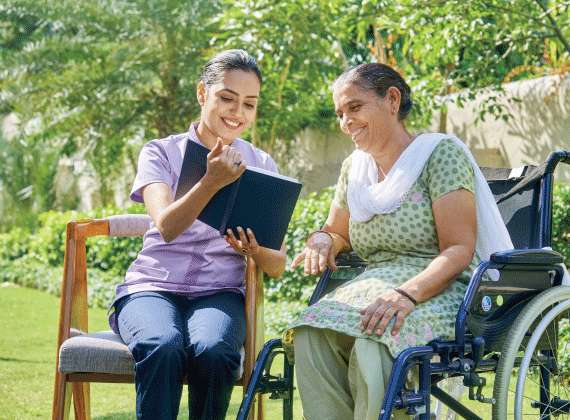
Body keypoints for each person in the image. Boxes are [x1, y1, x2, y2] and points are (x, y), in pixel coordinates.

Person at [288, 63, 512, 419]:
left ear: (392, 99)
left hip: (441, 284)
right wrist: (321, 240)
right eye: (340, 113)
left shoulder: (439, 155)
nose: (346, 122)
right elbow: (337, 230)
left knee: (372, 338)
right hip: (374, 284)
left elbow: (459, 248)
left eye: (355, 107)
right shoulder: (354, 169)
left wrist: (406, 294)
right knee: (310, 333)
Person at [108, 49, 286, 420]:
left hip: (220, 293)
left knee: (215, 349)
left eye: (248, 104)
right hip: (151, 288)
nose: (237, 112)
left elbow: (277, 265)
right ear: (203, 94)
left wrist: (253, 251)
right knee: (163, 344)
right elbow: (167, 227)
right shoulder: (160, 153)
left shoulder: (262, 165)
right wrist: (211, 181)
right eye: (226, 98)